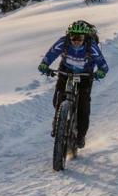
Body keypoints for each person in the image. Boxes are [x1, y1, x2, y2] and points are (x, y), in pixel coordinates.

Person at [38, 19, 109, 148]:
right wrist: (44, 64)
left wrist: (101, 72)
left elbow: (102, 64)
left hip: (85, 75)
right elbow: (51, 53)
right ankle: (58, 120)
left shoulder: (91, 46)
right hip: (66, 71)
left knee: (83, 106)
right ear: (69, 36)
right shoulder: (63, 42)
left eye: (79, 38)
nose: (76, 41)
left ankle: (81, 136)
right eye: (73, 37)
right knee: (58, 98)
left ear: (85, 38)